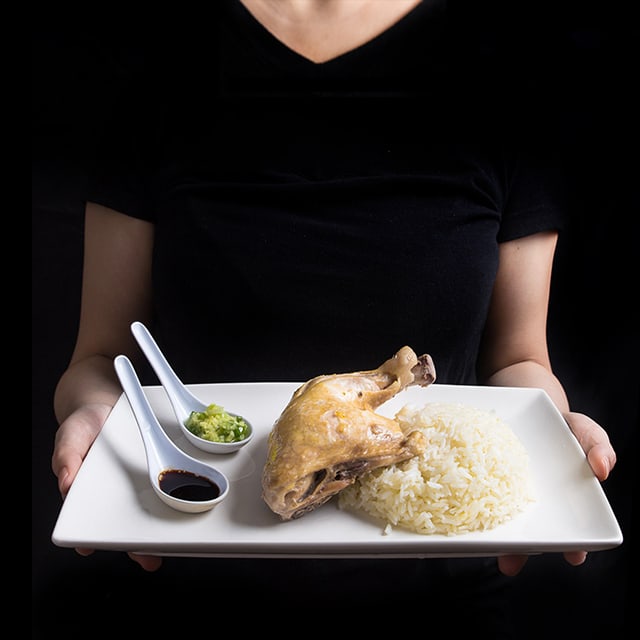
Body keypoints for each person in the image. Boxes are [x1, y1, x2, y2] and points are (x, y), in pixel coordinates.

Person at [49, 0, 617, 632]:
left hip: (442, 593)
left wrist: (555, 432)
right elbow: (100, 359)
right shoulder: (166, 72)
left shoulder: (503, 80)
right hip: (187, 579)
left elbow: (519, 360)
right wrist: (95, 414)